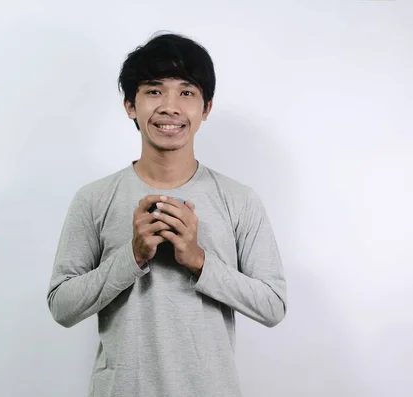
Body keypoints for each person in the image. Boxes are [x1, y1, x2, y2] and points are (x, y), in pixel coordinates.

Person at [46, 32, 287, 397]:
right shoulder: (94, 198)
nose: (170, 106)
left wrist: (198, 260)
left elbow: (273, 305)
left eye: (186, 92)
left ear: (205, 108)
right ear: (131, 105)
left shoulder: (239, 199)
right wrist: (132, 257)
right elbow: (62, 307)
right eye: (154, 90)